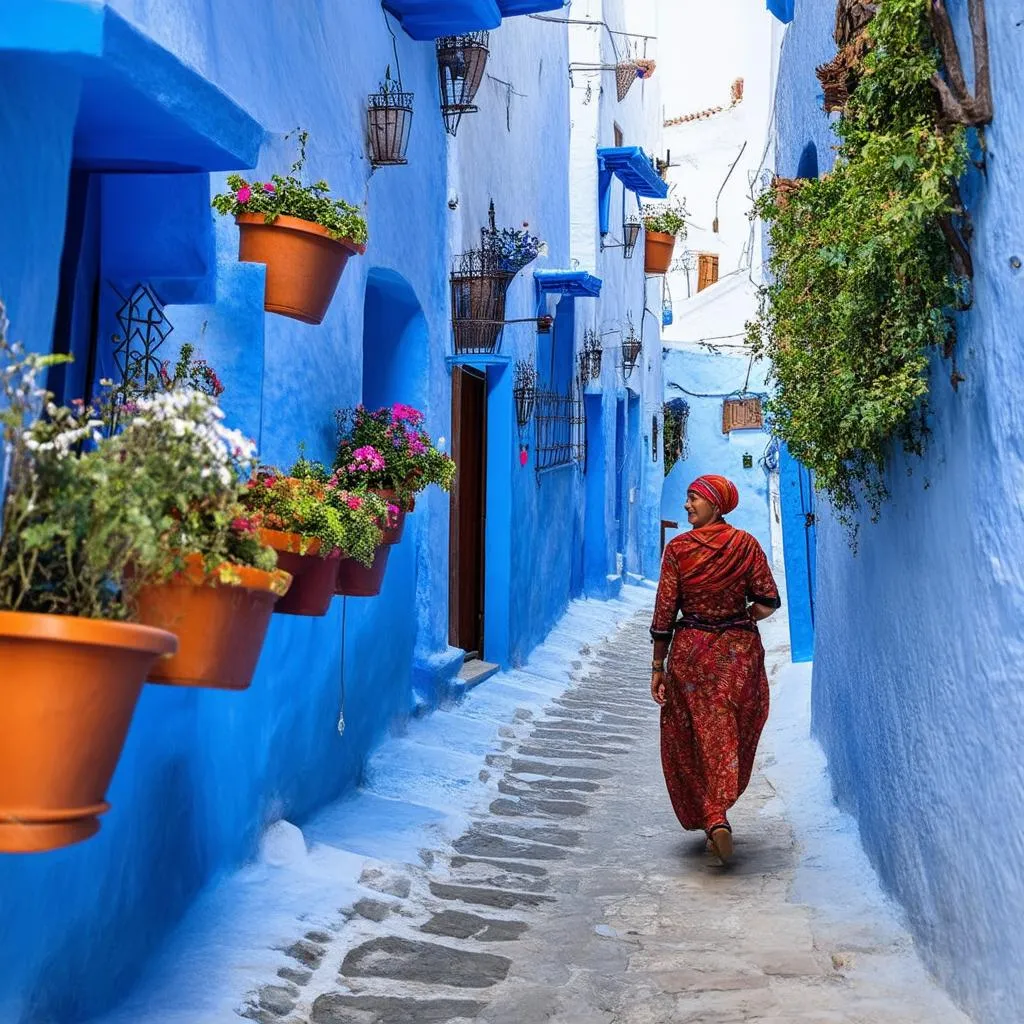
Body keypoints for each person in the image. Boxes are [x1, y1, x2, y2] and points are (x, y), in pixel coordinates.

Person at [649, 474, 781, 863]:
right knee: (729, 730)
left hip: (691, 653)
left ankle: (713, 816)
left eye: (694, 499)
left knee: (692, 734)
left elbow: (663, 613)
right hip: (738, 654)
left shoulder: (678, 549)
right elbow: (768, 601)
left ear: (715, 505)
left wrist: (658, 664)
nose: (687, 505)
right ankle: (717, 810)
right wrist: (741, 616)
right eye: (688, 499)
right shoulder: (746, 546)